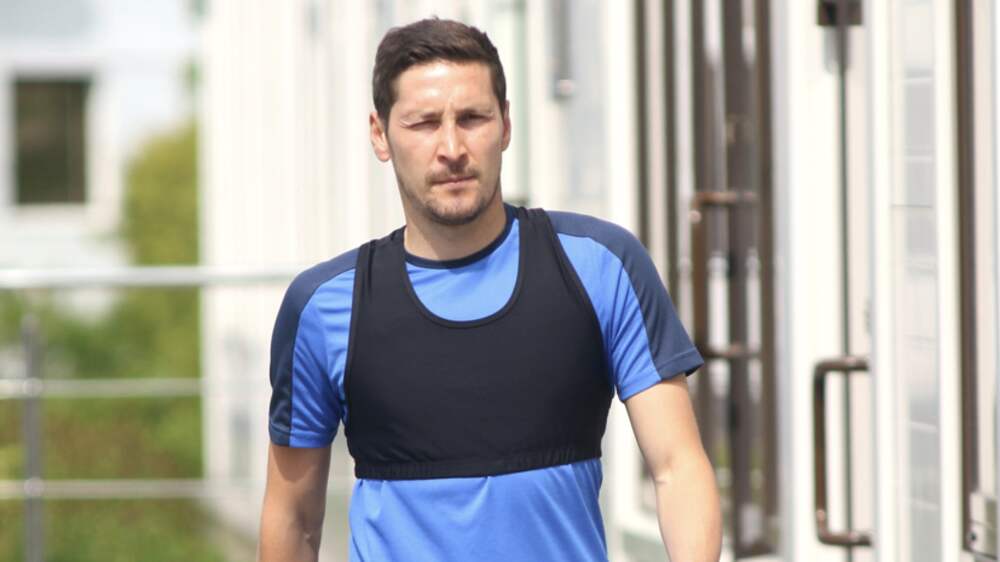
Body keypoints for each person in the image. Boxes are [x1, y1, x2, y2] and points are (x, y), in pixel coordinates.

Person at [258, 17, 721, 562]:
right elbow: (292, 519)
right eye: (424, 123)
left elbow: (677, 468)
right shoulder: (324, 306)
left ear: (505, 124)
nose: (451, 147)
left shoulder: (601, 266)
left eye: (472, 118)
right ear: (380, 134)